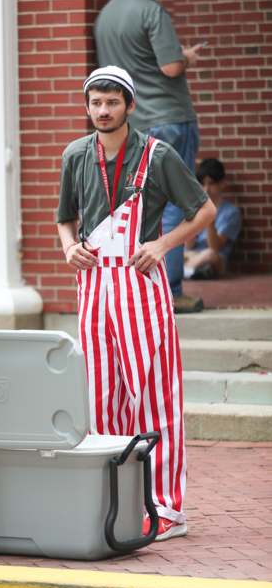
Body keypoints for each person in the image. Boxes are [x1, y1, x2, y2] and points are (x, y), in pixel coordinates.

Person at [56, 66, 216, 540]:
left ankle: (167, 508)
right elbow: (66, 217)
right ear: (87, 107)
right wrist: (69, 247)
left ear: (129, 105)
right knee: (100, 399)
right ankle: (117, 504)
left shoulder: (156, 153)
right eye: (95, 103)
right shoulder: (75, 154)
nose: (102, 111)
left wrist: (165, 246)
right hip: (93, 289)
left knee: (154, 398)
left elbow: (203, 211)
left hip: (141, 285)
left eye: (111, 102)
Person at [95, 0, 207, 314]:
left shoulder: (106, 16)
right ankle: (172, 290)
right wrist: (186, 56)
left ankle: (146, 287)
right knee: (177, 203)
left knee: (141, 207)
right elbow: (170, 67)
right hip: (171, 120)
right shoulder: (151, 11)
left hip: (136, 125)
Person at [184, 158, 242, 280]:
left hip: (214, 259)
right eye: (202, 184)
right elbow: (188, 245)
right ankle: (190, 272)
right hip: (190, 255)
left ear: (222, 183)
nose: (206, 189)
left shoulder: (231, 212)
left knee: (210, 254)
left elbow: (215, 247)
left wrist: (208, 217)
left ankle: (183, 272)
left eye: (211, 183)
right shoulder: (195, 207)